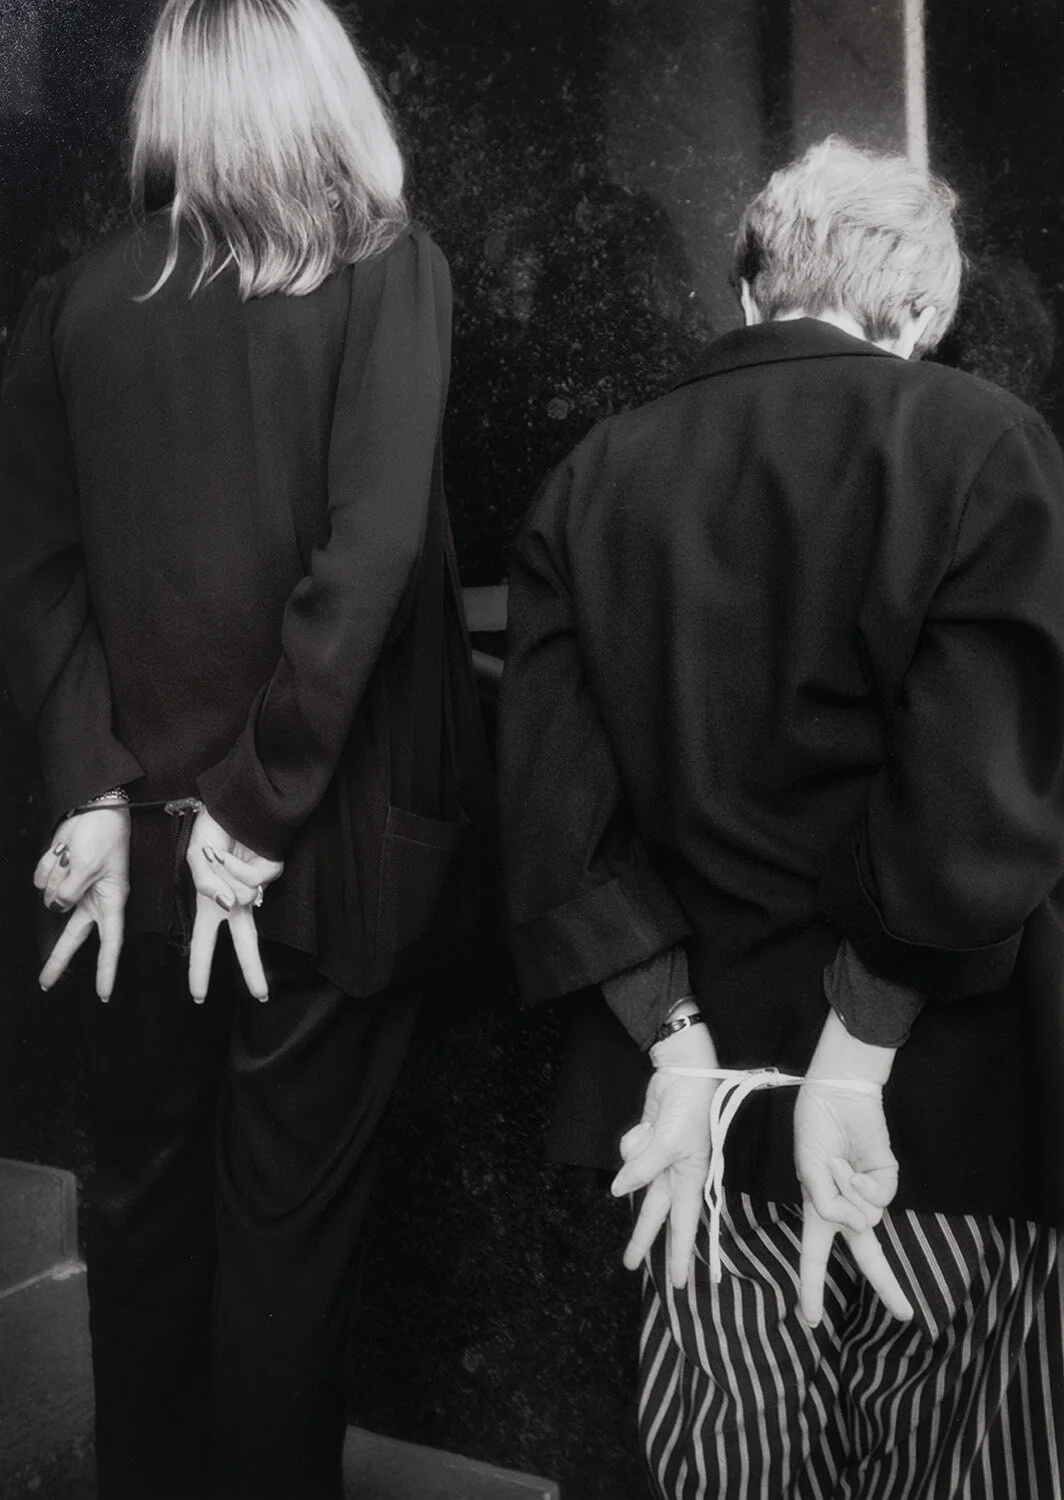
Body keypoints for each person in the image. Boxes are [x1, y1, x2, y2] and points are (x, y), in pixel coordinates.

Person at [499, 137, 1064, 1498]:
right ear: (919, 311)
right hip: (954, 1126)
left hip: (697, 1135)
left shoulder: (591, 478)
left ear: (749, 288)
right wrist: (856, 1058)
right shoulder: (984, 442)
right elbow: (975, 814)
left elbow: (553, 830)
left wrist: (679, 1050)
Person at [0, 1, 490, 1496]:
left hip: (132, 866)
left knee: (142, 1214)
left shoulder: (74, 299)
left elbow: (34, 570)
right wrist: (255, 813)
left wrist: (95, 785)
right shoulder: (389, 276)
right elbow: (375, 552)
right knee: (285, 1244)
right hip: (319, 857)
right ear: (325, 94)